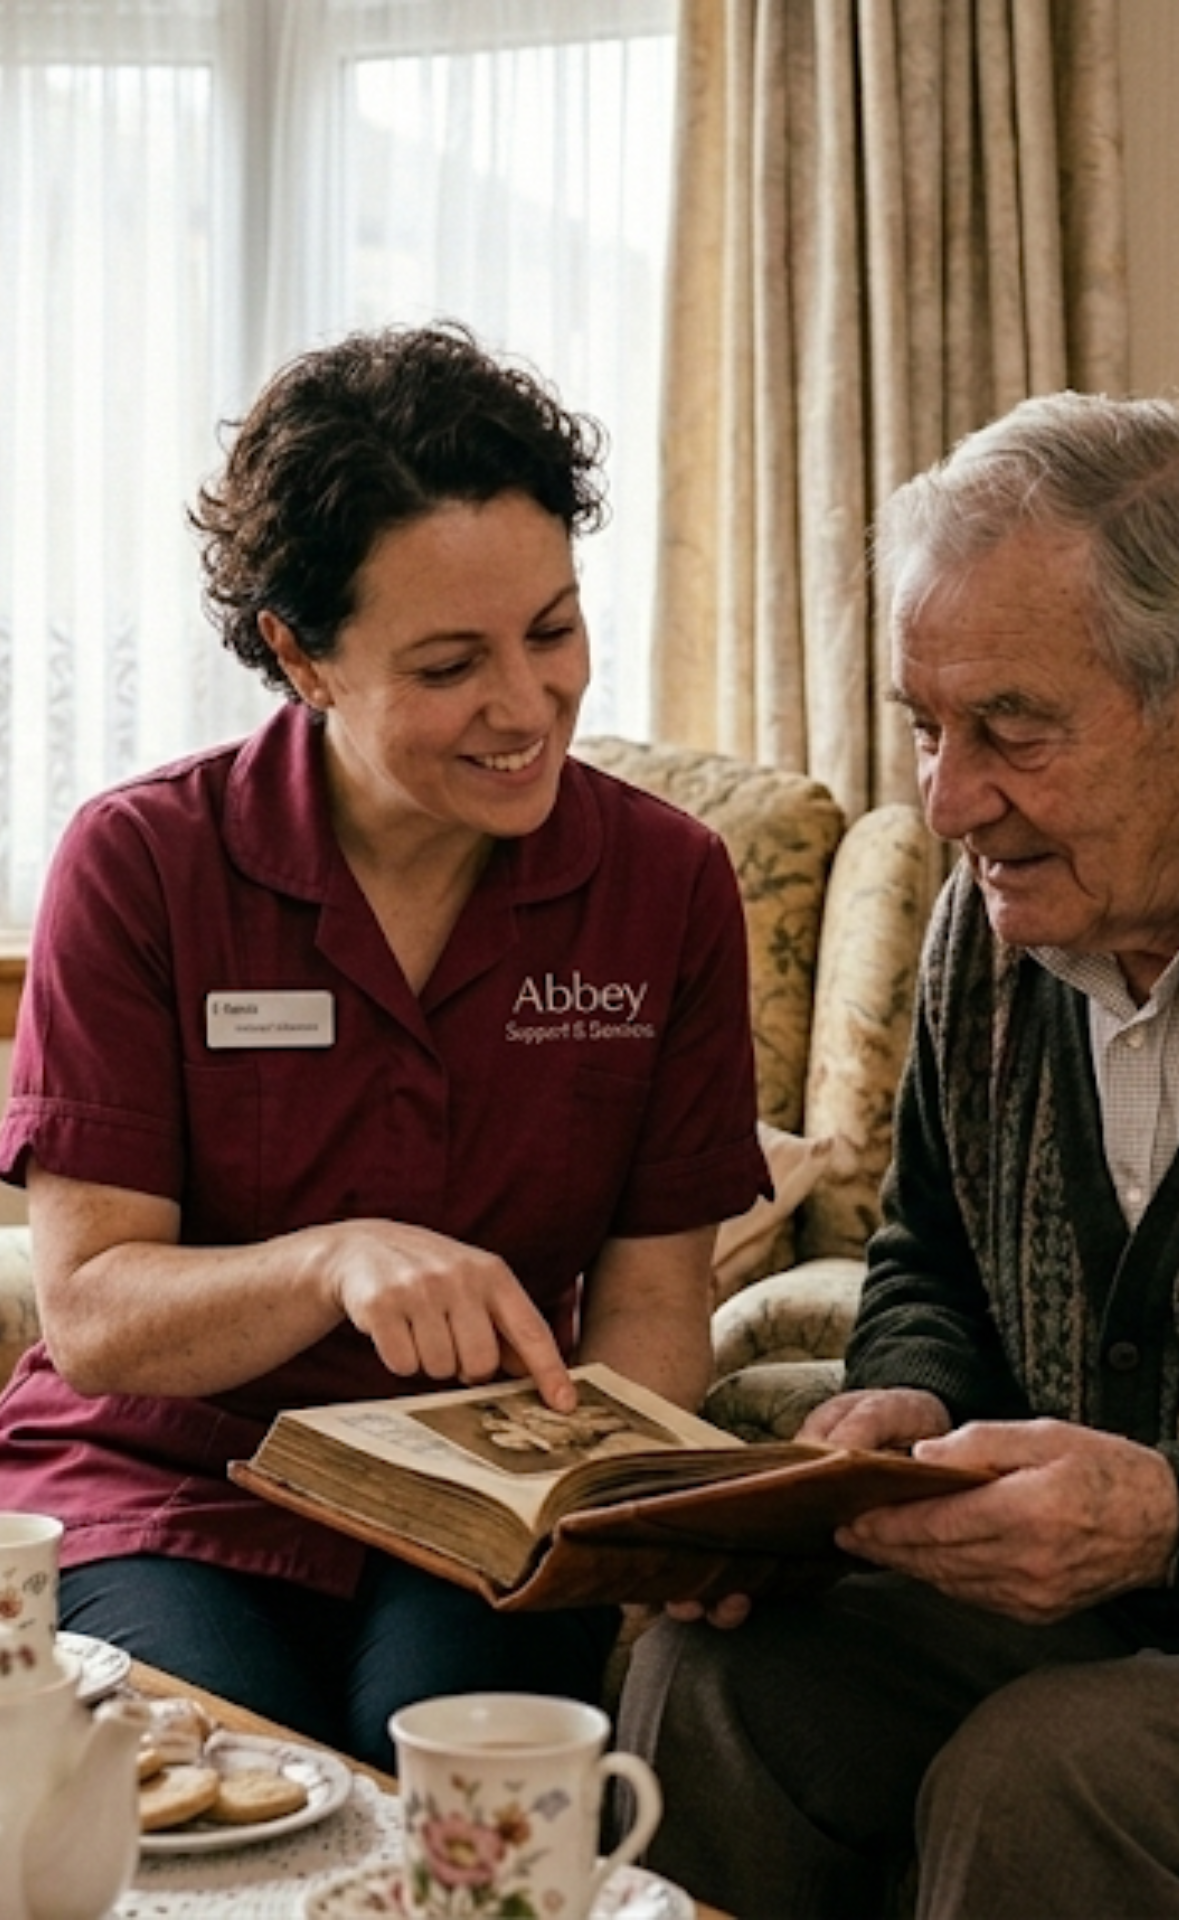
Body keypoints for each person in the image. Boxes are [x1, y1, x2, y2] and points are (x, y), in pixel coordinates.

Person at [616, 391, 1179, 1919]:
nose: (948, 801)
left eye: (1010, 729)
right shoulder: (990, 922)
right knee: (715, 1681)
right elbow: (931, 1257)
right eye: (928, 726)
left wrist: (1174, 1519)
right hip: (1122, 1603)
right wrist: (907, 1391)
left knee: (1046, 1778)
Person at [0, 321, 768, 1770]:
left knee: (466, 1781)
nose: (525, 707)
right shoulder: (142, 863)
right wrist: (330, 1260)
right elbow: (93, 1312)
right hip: (167, 1484)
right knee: (246, 1778)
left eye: (553, 631)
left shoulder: (668, 886)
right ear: (300, 655)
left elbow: (655, 1306)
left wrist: (617, 1503)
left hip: (487, 1498)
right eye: (448, 664)